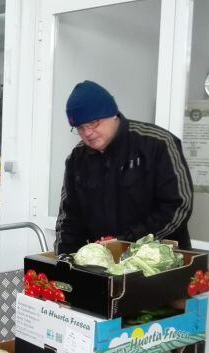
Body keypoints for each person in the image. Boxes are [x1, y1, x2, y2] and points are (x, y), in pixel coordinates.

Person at [55, 80, 193, 254]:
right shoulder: (77, 159)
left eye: (93, 123)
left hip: (159, 263)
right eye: (80, 127)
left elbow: (178, 205)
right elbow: (69, 218)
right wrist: (63, 262)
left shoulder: (157, 143)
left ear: (113, 114)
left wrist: (126, 242)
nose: (87, 133)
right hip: (103, 263)